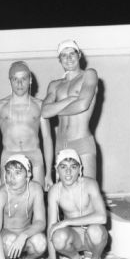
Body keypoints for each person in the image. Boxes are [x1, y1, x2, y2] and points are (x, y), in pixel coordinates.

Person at [42, 149, 108, 259]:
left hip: (92, 236)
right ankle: (74, 258)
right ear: (57, 170)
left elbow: (102, 217)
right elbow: (51, 228)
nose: (68, 172)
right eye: (63, 167)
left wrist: (67, 222)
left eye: (73, 167)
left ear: (80, 169)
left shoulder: (90, 184)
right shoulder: (54, 191)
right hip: (75, 238)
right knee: (58, 237)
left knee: (95, 231)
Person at [0, 61, 53, 191]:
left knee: (37, 199)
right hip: (8, 157)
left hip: (34, 158)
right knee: (9, 202)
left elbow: (47, 138)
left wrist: (48, 174)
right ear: (10, 81)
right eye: (15, 79)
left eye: (23, 79)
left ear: (30, 80)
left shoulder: (40, 105)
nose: (19, 84)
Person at [42, 40, 99, 178]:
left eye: (72, 54)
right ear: (59, 60)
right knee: (62, 190)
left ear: (79, 55)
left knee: (88, 188)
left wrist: (55, 111)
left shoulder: (88, 75)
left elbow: (82, 105)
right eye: (64, 55)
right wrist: (69, 100)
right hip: (61, 145)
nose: (68, 58)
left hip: (81, 141)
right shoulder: (54, 85)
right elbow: (44, 112)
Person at [0, 155, 47, 259]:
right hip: (7, 236)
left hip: (25, 233)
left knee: (40, 242)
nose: (11, 178)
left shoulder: (35, 189)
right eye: (8, 173)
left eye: (17, 173)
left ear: (29, 174)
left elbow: (41, 222)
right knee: (10, 240)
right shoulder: (1, 194)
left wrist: (24, 236)